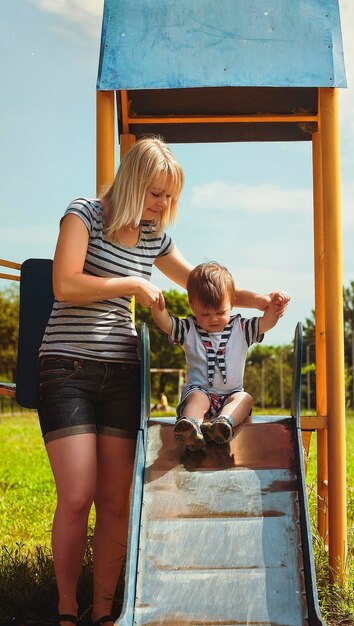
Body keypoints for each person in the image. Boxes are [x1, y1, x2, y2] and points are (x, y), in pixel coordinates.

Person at [36, 136, 286, 626]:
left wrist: (260, 304)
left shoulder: (154, 236)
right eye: (155, 194)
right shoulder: (83, 214)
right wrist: (133, 283)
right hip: (66, 366)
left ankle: (104, 613)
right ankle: (66, 608)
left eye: (170, 198)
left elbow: (204, 284)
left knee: (115, 498)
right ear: (131, 181)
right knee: (78, 493)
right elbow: (64, 283)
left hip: (122, 372)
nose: (162, 206)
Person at [151, 262, 290, 451]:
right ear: (192, 306)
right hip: (200, 390)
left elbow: (265, 323)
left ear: (232, 303)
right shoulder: (189, 328)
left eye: (220, 312)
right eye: (205, 313)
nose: (213, 319)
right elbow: (167, 324)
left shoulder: (241, 328)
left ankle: (224, 424)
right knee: (198, 398)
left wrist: (274, 309)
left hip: (231, 394)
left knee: (245, 398)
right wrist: (157, 309)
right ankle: (190, 426)